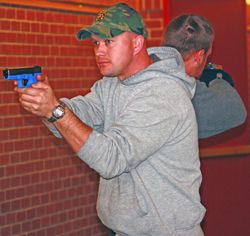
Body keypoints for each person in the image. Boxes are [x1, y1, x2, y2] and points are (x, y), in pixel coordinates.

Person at [15, 3, 205, 236]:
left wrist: (55, 111)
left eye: (109, 41)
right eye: (96, 43)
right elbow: (78, 114)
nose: (99, 51)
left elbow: (111, 158)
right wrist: (46, 104)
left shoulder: (162, 94)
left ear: (136, 43)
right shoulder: (111, 85)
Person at [161, 14, 247, 138]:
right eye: (207, 57)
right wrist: (218, 77)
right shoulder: (185, 88)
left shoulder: (146, 74)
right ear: (199, 56)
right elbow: (235, 111)